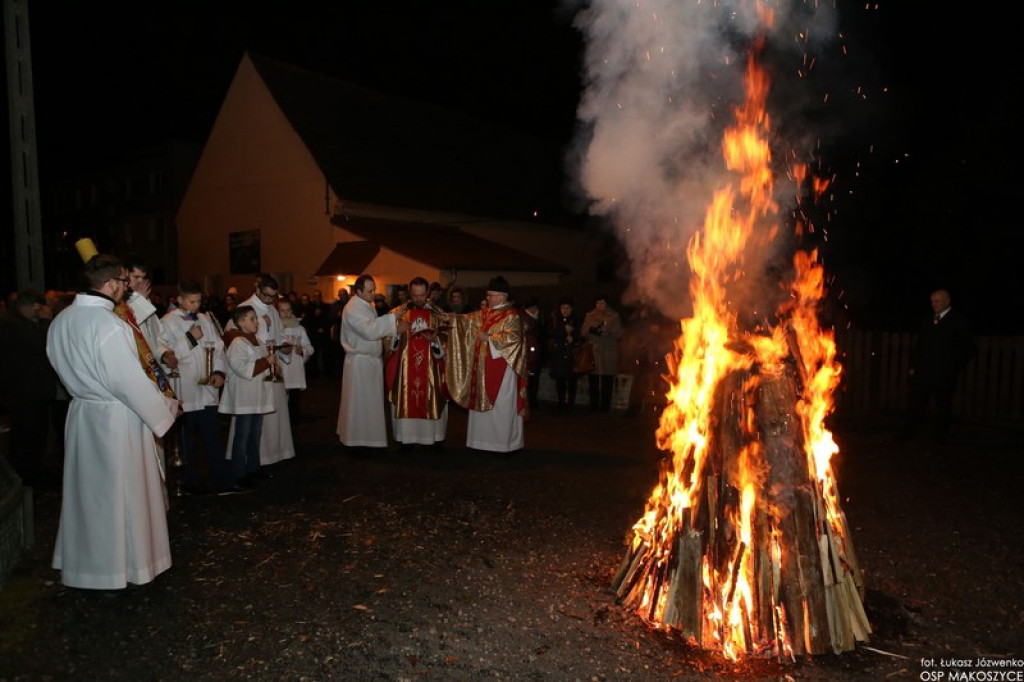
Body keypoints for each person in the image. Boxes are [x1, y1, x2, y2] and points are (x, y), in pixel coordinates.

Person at [45, 254, 181, 590]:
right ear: (110, 284)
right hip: (117, 418)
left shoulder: (62, 319)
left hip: (82, 414)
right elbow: (126, 381)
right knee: (122, 494)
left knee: (89, 495)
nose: (126, 288)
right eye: (123, 281)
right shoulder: (108, 324)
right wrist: (165, 408)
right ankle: (124, 567)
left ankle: (86, 565)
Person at [160, 280, 247, 496]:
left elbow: (218, 348)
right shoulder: (167, 322)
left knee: (213, 438)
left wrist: (219, 372)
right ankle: (190, 482)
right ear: (179, 300)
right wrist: (191, 338)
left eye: (198, 301)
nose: (196, 306)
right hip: (186, 389)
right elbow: (168, 356)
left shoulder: (205, 319)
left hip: (207, 390)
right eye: (191, 302)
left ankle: (223, 481)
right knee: (187, 440)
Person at [444, 276, 527, 452]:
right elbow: (467, 321)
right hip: (482, 368)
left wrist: (489, 339)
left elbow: (514, 338)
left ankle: (503, 445)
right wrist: (452, 319)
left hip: (503, 370)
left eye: (491, 295)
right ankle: (480, 442)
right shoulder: (485, 313)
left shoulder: (511, 315)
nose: (488, 298)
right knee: (481, 403)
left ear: (503, 296)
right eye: (488, 295)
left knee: (501, 407)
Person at [226, 274, 295, 469]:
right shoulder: (244, 309)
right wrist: (263, 326)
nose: (270, 300)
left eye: (273, 296)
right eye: (266, 295)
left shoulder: (273, 309)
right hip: (252, 378)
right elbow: (232, 335)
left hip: (270, 368)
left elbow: (278, 336)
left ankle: (270, 456)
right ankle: (246, 465)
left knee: (266, 422)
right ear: (257, 290)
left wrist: (284, 349)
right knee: (247, 429)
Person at [337, 274, 408, 450]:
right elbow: (369, 330)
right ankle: (357, 440)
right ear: (358, 291)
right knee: (360, 404)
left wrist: (392, 321)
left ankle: (367, 438)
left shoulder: (365, 305)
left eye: (374, 290)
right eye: (369, 291)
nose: (373, 294)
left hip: (369, 362)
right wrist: (393, 320)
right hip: (360, 363)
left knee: (369, 403)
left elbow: (374, 325)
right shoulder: (353, 308)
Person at [0, 291, 60, 488]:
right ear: (26, 306)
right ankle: (27, 474)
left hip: (32, 390)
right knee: (26, 434)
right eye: (36, 306)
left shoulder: (19, 323)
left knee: (35, 433)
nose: (39, 310)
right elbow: (42, 344)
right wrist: (46, 322)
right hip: (24, 391)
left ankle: (34, 469)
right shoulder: (13, 324)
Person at [904, 288, 977, 444]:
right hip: (924, 372)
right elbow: (919, 345)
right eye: (932, 301)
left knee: (943, 406)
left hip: (944, 374)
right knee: (916, 403)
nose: (934, 304)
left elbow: (968, 348)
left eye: (937, 301)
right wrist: (913, 365)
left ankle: (939, 437)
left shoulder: (958, 321)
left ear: (947, 301)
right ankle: (909, 432)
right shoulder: (927, 320)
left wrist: (953, 366)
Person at [385, 277, 448, 450]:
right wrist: (397, 333)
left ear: (428, 293)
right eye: (415, 295)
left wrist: (435, 341)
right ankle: (406, 438)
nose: (418, 299)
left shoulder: (439, 314)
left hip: (431, 371)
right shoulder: (397, 314)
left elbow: (447, 342)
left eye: (422, 295)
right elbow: (387, 344)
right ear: (409, 293)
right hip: (404, 371)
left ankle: (432, 439)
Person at [220, 305, 278, 486]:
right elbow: (243, 369)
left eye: (255, 318)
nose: (256, 322)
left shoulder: (257, 341)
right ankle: (239, 472)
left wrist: (272, 366)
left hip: (257, 397)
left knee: (255, 434)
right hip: (244, 398)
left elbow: (265, 364)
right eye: (252, 319)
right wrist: (266, 361)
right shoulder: (237, 343)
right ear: (241, 322)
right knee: (243, 435)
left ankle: (254, 467)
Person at [276, 298, 315, 431]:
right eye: (282, 311)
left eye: (288, 310)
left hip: (295, 370)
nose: (285, 313)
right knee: (280, 399)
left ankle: (293, 428)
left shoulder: (299, 328)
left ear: (292, 311)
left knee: (294, 402)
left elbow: (310, 348)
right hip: (281, 368)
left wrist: (302, 350)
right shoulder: (276, 328)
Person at [582, 294, 623, 412]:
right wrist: (590, 330)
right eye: (598, 303)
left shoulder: (614, 316)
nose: (600, 306)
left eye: (602, 303)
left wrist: (608, 330)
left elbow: (619, 333)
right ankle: (593, 405)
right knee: (593, 379)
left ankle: (605, 406)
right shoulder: (590, 315)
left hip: (608, 350)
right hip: (594, 350)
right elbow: (583, 331)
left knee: (607, 379)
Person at [547, 297, 583, 412]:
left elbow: (581, 334)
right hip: (559, 353)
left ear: (572, 309)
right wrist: (563, 331)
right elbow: (550, 332)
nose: (565, 310)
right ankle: (561, 403)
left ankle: (570, 404)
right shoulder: (555, 319)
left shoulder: (577, 320)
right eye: (563, 308)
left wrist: (574, 337)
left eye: (568, 308)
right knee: (560, 380)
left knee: (572, 380)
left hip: (572, 353)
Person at [520, 298, 546, 411]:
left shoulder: (538, 318)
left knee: (534, 378)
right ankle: (530, 401)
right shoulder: (526, 319)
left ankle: (533, 400)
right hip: (530, 354)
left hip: (536, 353)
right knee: (530, 379)